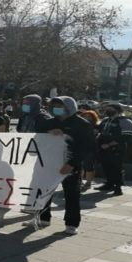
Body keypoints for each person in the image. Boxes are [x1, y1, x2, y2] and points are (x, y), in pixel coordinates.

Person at [22, 96, 95, 235]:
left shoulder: (82, 124)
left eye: (59, 106)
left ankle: (71, 223)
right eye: (54, 106)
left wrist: (72, 164)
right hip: (47, 163)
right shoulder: (48, 123)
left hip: (69, 165)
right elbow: (36, 140)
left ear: (69, 107)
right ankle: (42, 218)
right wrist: (47, 134)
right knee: (43, 192)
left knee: (71, 194)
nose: (56, 109)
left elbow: (87, 147)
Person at [95, 103, 132, 196]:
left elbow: (125, 137)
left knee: (116, 168)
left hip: (117, 149)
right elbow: (99, 131)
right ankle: (109, 184)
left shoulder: (125, 122)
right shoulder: (105, 120)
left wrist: (109, 145)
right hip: (103, 149)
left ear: (117, 110)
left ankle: (118, 188)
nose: (106, 110)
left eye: (109, 108)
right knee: (106, 166)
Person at [77, 103, 100, 191]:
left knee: (88, 166)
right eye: (85, 116)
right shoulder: (79, 125)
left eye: (89, 117)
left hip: (90, 148)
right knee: (80, 166)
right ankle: (80, 181)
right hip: (79, 148)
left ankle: (88, 182)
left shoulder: (96, 126)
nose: (87, 118)